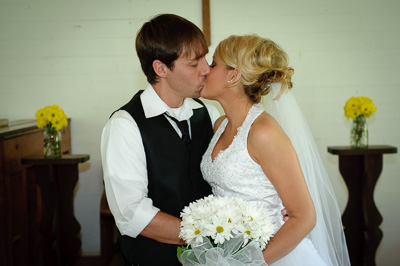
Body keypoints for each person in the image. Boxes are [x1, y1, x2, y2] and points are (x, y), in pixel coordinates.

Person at [200, 34, 350, 265]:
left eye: (213, 64)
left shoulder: (263, 132)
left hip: (274, 255)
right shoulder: (220, 126)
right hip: (230, 252)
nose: (205, 70)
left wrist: (250, 263)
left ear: (233, 75)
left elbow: (304, 217)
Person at [100, 14, 220, 265]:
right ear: (161, 68)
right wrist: (204, 235)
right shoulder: (125, 125)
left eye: (205, 58)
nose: (206, 69)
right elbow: (132, 213)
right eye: (194, 62)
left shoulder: (209, 113)